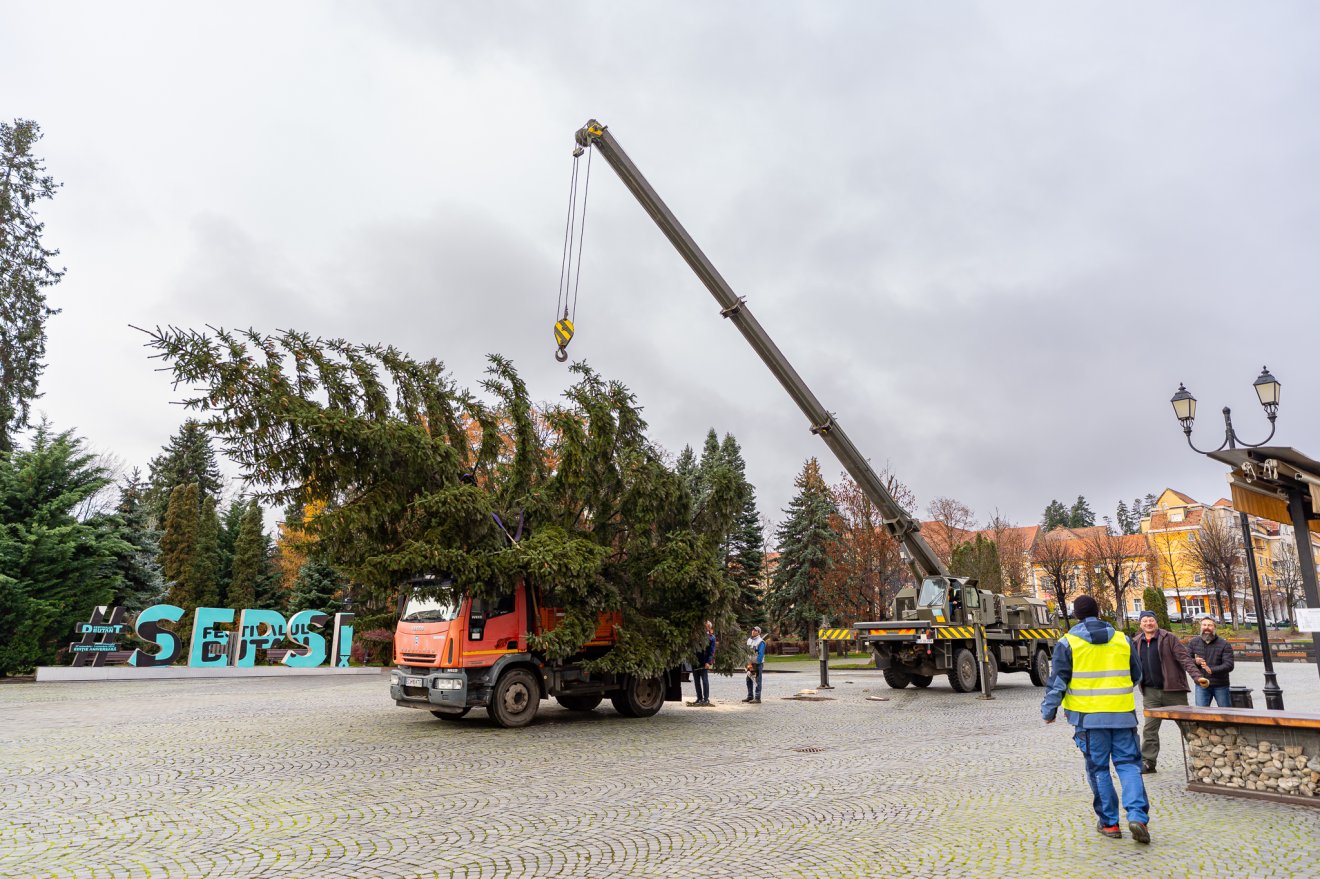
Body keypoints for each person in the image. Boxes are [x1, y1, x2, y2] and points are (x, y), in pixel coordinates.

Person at [1041, 595, 1150, 844]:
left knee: (1099, 770)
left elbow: (1057, 683)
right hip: (1123, 715)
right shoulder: (1122, 640)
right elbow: (1136, 674)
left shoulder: (1068, 643)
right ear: (1099, 611)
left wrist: (1049, 711)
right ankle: (1137, 817)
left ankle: (1110, 824)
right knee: (1129, 766)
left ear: (1076, 614)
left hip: (1088, 720)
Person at [1133, 609, 1208, 774]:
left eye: (1150, 620)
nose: (1148, 623)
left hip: (1174, 691)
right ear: (1140, 623)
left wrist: (1197, 677)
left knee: (1187, 726)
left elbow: (1185, 659)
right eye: (1144, 621)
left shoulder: (1169, 638)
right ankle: (1148, 762)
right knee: (1150, 729)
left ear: (1156, 622)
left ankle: (1202, 759)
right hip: (1150, 692)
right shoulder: (1136, 641)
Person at [1187, 616, 1235, 708]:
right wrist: (1195, 661)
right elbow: (1186, 661)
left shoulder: (1224, 644)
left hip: (1220, 684)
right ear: (1201, 627)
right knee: (1201, 714)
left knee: (1226, 714)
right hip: (1201, 684)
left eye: (1210, 625)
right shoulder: (1193, 642)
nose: (1206, 627)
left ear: (1214, 628)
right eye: (1204, 625)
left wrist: (1211, 669)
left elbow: (1229, 665)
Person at [691, 620, 716, 706]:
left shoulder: (711, 637)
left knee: (704, 680)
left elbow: (712, 652)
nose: (704, 627)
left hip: (704, 662)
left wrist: (708, 662)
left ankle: (706, 699)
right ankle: (699, 698)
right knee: (696, 681)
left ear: (709, 627)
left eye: (705, 625)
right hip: (695, 661)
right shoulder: (696, 636)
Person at [744, 626, 766, 704]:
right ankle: (750, 696)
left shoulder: (761, 642)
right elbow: (746, 651)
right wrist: (746, 662)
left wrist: (757, 664)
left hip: (757, 664)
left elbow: (760, 654)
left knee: (757, 681)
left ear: (759, 632)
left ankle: (757, 698)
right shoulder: (749, 640)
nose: (753, 631)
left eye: (755, 630)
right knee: (748, 679)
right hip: (749, 663)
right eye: (753, 630)